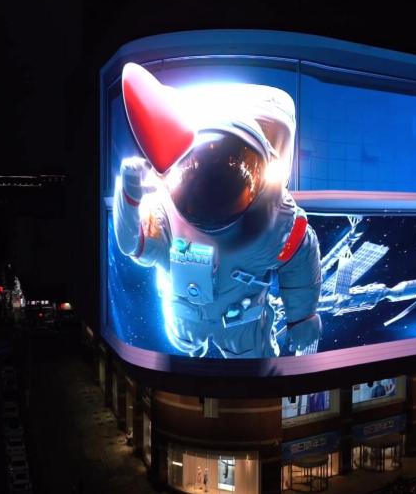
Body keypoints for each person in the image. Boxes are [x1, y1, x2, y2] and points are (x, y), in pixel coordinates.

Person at [114, 63, 322, 359]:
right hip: (187, 316)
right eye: (202, 168)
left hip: (239, 322)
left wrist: (302, 317)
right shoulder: (167, 209)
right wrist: (128, 196)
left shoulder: (278, 221)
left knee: (250, 366)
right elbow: (134, 243)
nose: (213, 191)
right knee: (187, 350)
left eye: (232, 168)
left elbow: (300, 263)